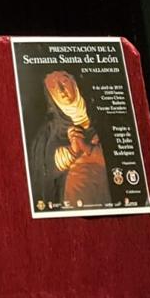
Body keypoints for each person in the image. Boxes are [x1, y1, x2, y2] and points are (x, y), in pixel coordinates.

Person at [28, 70, 113, 209]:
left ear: (74, 81)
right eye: (54, 88)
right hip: (73, 197)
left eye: (64, 81)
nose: (61, 90)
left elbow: (121, 154)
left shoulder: (102, 115)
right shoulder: (48, 132)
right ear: (51, 96)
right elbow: (43, 168)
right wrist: (72, 151)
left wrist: (88, 148)